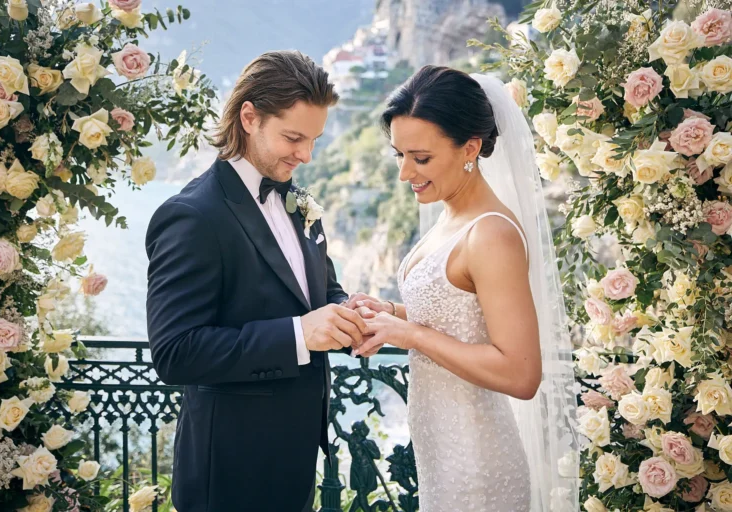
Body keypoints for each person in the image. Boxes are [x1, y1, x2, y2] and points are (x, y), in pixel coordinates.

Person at [145, 50, 376, 512]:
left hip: (294, 460)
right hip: (228, 471)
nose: (306, 155)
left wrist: (345, 309)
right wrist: (299, 334)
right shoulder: (191, 216)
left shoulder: (298, 200)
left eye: (314, 140)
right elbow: (175, 354)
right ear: (249, 117)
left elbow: (315, 293)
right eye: (294, 137)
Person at [347, 66, 579, 511]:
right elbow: (460, 315)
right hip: (443, 457)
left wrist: (410, 335)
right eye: (399, 155)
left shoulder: (492, 234)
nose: (405, 173)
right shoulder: (450, 213)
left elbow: (521, 373)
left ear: (470, 148)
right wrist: (392, 314)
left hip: (478, 468)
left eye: (421, 158)